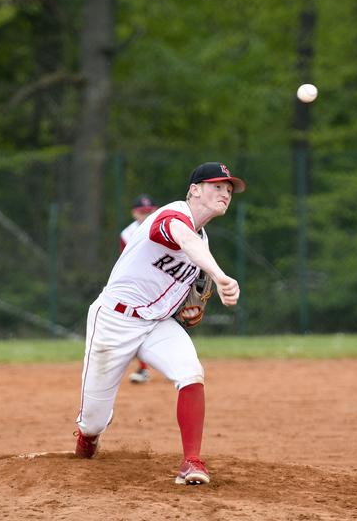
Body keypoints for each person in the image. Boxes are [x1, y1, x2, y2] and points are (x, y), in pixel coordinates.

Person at [74, 162, 246, 486]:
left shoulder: (203, 239)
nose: (225, 193)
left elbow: (187, 265)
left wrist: (182, 306)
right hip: (114, 320)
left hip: (156, 324)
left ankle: (191, 462)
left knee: (191, 372)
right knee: (93, 422)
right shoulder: (171, 216)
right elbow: (184, 239)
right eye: (217, 186)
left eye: (228, 189)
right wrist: (219, 275)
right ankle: (87, 438)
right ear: (194, 190)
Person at [120, 194, 159, 384]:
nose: (146, 214)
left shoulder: (165, 227)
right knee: (135, 327)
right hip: (139, 288)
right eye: (142, 212)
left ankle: (178, 363)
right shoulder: (127, 234)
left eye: (150, 211)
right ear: (134, 213)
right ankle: (143, 369)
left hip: (163, 286)